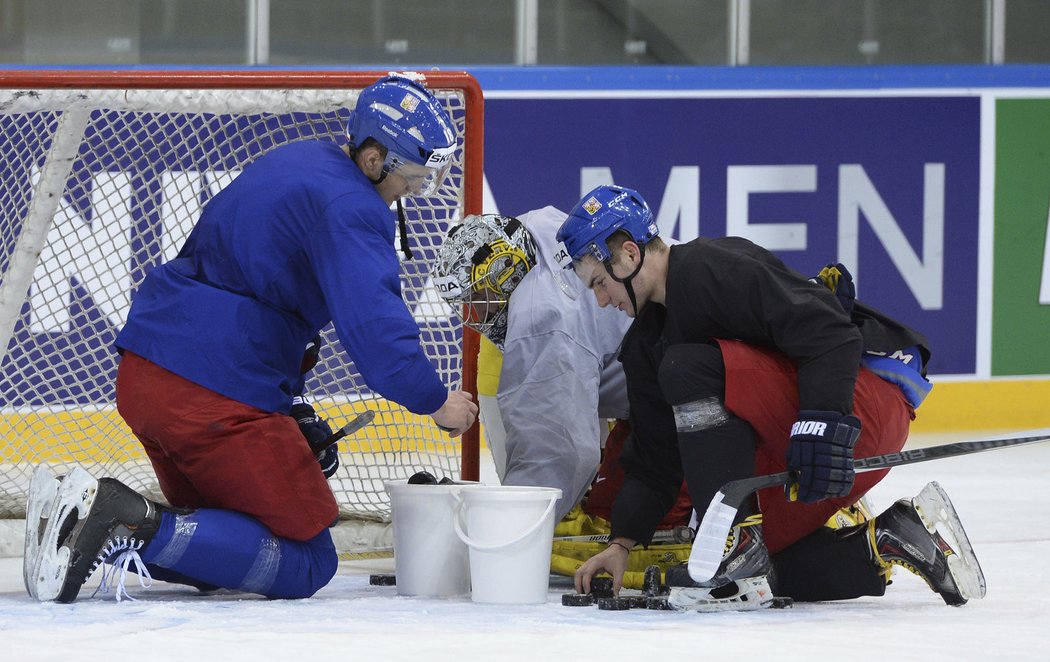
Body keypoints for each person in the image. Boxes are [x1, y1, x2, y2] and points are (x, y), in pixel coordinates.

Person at [24, 74, 478, 604]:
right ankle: (113, 523)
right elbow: (379, 340)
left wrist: (293, 403)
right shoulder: (352, 209)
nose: (415, 191)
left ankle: (86, 520)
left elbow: (253, 280)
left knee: (222, 543)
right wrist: (436, 402)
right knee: (308, 560)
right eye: (412, 177)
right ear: (374, 159)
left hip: (148, 375)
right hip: (212, 394)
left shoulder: (304, 158)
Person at [559, 184, 986, 611]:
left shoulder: (712, 269)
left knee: (685, 367)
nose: (600, 301)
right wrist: (621, 544)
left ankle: (738, 541)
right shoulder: (645, 344)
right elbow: (656, 457)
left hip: (859, 407)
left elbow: (832, 333)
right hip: (808, 426)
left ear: (630, 255)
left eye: (599, 282)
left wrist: (822, 426)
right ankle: (889, 539)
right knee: (751, 576)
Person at [432, 211, 695, 586]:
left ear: (504, 273)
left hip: (678, 390)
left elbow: (559, 451)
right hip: (650, 381)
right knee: (609, 502)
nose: (473, 314)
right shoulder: (530, 232)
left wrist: (510, 533)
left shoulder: (543, 322)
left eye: (478, 298)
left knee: (640, 505)